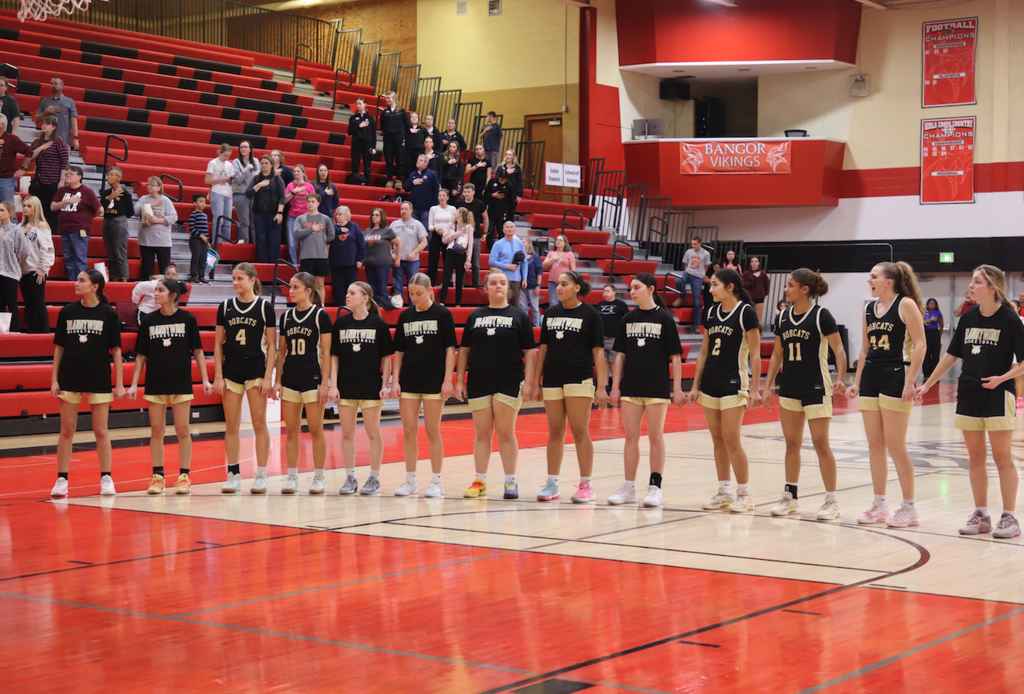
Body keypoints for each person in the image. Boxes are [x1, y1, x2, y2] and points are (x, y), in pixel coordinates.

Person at [915, 265, 1024, 539]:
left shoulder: (1010, 319)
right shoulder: (968, 317)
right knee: (975, 457)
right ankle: (981, 515)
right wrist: (928, 383)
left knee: (1002, 457)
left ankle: (1009, 517)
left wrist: (1002, 378)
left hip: (999, 393)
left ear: (993, 287)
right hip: (968, 392)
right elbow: (951, 355)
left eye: (977, 282)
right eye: (972, 281)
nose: (971, 285)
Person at [761, 269, 848, 521]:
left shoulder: (821, 315)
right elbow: (777, 354)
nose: (785, 289)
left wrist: (841, 378)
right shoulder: (782, 316)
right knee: (792, 445)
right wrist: (767, 386)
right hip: (789, 387)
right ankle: (790, 497)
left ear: (804, 289)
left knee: (821, 445)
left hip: (816, 387)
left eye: (790, 285)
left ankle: (831, 500)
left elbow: (839, 350)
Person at [845, 261, 926, 528]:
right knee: (875, 445)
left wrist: (910, 382)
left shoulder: (905, 304)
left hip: (896, 375)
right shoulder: (868, 308)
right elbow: (865, 349)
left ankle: (910, 508)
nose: (869, 281)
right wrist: (856, 382)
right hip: (871, 376)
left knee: (896, 445)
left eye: (874, 276)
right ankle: (879, 505)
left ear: (889, 282)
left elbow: (921, 344)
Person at [456, 269, 537, 500]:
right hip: (478, 382)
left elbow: (529, 352)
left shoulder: (519, 316)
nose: (498, 286)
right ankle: (480, 481)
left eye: (502, 283)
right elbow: (464, 350)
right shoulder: (475, 316)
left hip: (508, 381)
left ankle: (510, 481)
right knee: (482, 434)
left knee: (505, 433)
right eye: (493, 283)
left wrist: (529, 382)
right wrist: (459, 380)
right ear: (486, 288)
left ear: (508, 288)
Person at [688, 268, 763, 513]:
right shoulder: (711, 312)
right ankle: (724, 492)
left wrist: (755, 388)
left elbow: (755, 354)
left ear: (730, 287)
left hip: (734, 383)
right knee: (717, 440)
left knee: (731, 439)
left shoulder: (746, 312)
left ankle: (745, 494)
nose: (710, 289)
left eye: (715, 285)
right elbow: (703, 352)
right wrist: (695, 386)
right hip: (710, 383)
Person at [530, 271, 608, 503]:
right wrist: (535, 382)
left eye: (564, 284)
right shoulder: (551, 313)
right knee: (555, 433)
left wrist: (601, 386)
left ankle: (586, 485)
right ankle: (552, 484)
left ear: (577, 288)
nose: (559, 287)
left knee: (580, 432)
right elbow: (543, 349)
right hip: (552, 379)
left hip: (579, 377)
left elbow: (598, 352)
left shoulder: (591, 314)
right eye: (558, 284)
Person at [607, 273, 684, 506]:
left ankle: (655, 487)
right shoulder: (627, 319)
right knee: (630, 437)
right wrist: (615, 387)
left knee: (655, 437)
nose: (632, 292)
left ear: (651, 289)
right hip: (631, 386)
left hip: (657, 386)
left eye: (637, 287)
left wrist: (677, 389)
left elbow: (676, 357)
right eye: (631, 288)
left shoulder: (665, 318)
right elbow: (620, 356)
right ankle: (629, 488)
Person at [129, 278, 211, 495]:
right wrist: (134, 384)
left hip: (181, 382)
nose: (155, 293)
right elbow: (141, 355)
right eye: (155, 290)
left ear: (173, 295)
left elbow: (198, 351)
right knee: (157, 431)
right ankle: (158, 478)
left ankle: (184, 477)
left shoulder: (188, 319)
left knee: (183, 430)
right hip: (155, 382)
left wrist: (205, 379)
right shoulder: (148, 320)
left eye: (160, 290)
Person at [49, 269, 125, 498]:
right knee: (67, 429)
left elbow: (117, 350)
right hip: (69, 376)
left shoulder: (109, 314)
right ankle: (62, 479)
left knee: (101, 430)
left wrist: (119, 383)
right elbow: (59, 347)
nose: (76, 283)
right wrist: (54, 379)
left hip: (98, 377)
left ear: (95, 287)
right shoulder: (67, 312)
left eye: (82, 280)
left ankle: (106, 478)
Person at [391, 273, 457, 497]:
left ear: (430, 291)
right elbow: (399, 351)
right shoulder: (405, 316)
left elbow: (450, 350)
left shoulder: (443, 314)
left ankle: (437, 481)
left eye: (418, 293)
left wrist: (447, 379)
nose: (414, 297)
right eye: (411, 293)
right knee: (409, 432)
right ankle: (410, 481)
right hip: (409, 380)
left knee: (432, 431)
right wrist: (395, 380)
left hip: (434, 381)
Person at [214, 263, 276, 494]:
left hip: (255, 368)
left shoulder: (264, 307)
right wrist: (218, 375)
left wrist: (268, 376)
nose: (235, 282)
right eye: (233, 278)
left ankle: (261, 476)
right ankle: (233, 475)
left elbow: (272, 345)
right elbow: (218, 345)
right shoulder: (225, 307)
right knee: (231, 425)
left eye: (240, 278)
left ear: (252, 280)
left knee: (259, 424)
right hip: (231, 369)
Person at [329, 281, 394, 495]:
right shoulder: (340, 323)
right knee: (346, 434)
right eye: (347, 292)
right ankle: (350, 478)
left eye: (352, 293)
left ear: (365, 298)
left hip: (371, 387)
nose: (347, 296)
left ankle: (374, 478)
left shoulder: (378, 324)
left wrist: (385, 384)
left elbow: (386, 357)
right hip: (346, 387)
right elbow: (334, 357)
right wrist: (333, 385)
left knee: (373, 433)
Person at [270, 273, 333, 494]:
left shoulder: (320, 316)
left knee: (316, 430)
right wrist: (277, 380)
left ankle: (319, 478)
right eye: (290, 286)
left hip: (313, 379)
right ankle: (291, 477)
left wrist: (325, 384)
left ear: (309, 291)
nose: (291, 291)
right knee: (291, 431)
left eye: (296, 287)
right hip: (290, 379)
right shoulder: (286, 317)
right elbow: (281, 351)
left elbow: (327, 352)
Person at [51, 165, 101, 280]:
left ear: (79, 177)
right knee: (68, 258)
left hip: (79, 229)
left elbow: (100, 209)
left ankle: (82, 281)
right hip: (64, 228)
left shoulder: (87, 191)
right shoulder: (62, 190)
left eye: (71, 174)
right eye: (66, 174)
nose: (68, 176)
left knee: (79, 257)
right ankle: (72, 282)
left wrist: (87, 218)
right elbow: (53, 207)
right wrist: (67, 201)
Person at [19, 196, 54, 333]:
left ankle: (43, 333)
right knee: (28, 304)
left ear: (36, 208)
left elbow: (48, 249)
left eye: (29, 206)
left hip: (36, 270)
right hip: (22, 271)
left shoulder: (41, 225)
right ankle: (32, 332)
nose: (25, 208)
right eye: (24, 205)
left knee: (38, 303)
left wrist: (43, 269)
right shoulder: (21, 227)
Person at [27, 115, 68, 234]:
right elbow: (30, 157)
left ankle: (54, 235)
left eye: (48, 124)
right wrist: (41, 148)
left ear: (54, 127)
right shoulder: (37, 142)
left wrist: (62, 181)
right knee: (41, 210)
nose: (44, 125)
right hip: (40, 181)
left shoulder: (58, 141)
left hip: (54, 181)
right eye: (43, 123)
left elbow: (64, 162)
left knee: (53, 211)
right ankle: (41, 233)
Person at [294, 193, 335, 305]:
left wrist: (322, 240)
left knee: (320, 284)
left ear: (318, 203)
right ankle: (307, 305)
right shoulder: (300, 218)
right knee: (306, 284)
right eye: (308, 201)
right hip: (306, 255)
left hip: (321, 255)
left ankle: (321, 307)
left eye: (313, 201)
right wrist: (312, 228)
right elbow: (297, 233)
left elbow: (331, 235)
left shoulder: (325, 218)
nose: (310, 204)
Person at [134, 176, 178, 278]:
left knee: (164, 268)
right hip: (146, 240)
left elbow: (174, 217)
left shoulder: (165, 200)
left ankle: (165, 286)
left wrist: (158, 220)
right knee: (147, 268)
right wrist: (149, 204)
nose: (149, 186)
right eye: (148, 184)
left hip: (162, 241)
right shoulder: (144, 199)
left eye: (152, 185)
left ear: (159, 187)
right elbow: (135, 211)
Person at [246, 155, 286, 264]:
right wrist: (259, 185)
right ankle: (263, 264)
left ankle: (273, 265)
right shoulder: (256, 178)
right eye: (262, 163)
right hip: (259, 213)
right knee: (261, 239)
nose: (264, 165)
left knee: (274, 240)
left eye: (266, 163)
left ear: (271, 165)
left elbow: (282, 197)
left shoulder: (277, 179)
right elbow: (248, 193)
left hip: (273, 213)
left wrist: (280, 213)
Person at [390, 201, 428, 307]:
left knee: (414, 286)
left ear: (411, 210)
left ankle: (413, 308)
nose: (403, 211)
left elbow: (424, 242)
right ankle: (398, 307)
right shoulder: (394, 224)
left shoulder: (417, 224)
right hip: (398, 260)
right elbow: (387, 240)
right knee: (397, 286)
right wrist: (390, 253)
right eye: (402, 209)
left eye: (406, 209)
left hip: (412, 261)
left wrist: (414, 252)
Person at [98, 166, 133, 282]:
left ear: (119, 178)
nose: (108, 176)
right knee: (111, 253)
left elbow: (130, 212)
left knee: (120, 253)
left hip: (119, 221)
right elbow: (101, 208)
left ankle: (124, 279)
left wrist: (119, 215)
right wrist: (110, 198)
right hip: (106, 221)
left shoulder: (125, 194)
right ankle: (115, 278)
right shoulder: (105, 193)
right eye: (108, 174)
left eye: (111, 175)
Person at [363, 208, 401, 311]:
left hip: (383, 263)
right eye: (373, 215)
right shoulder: (367, 231)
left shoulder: (387, 230)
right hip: (369, 263)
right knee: (371, 288)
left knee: (381, 287)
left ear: (382, 217)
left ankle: (383, 309)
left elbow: (399, 243)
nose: (374, 217)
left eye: (376, 215)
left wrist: (397, 258)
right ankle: (374, 308)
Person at [672, 236, 711, 329]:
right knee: (678, 280)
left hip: (698, 277)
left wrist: (702, 274)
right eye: (692, 244)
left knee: (697, 301)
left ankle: (697, 325)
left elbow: (706, 265)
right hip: (688, 273)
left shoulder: (706, 254)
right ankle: (683, 295)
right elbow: (685, 263)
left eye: (695, 244)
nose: (693, 246)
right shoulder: (689, 251)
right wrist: (687, 271)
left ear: (700, 243)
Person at [0, 201, 28, 331]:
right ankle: (2, 333)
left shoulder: (16, 230)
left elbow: (24, 251)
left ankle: (14, 332)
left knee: (11, 304)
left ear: (10, 213)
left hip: (10, 272)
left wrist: (14, 259)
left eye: (2, 210)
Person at [438, 205, 473, 306]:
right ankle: (442, 303)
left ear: (460, 215)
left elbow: (470, 244)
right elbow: (444, 240)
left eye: (456, 212)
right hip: (450, 252)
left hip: (461, 254)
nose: (454, 213)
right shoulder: (450, 225)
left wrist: (468, 259)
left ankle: (458, 304)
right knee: (446, 279)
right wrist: (456, 234)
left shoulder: (469, 227)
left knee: (459, 281)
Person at [454, 183, 487, 288]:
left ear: (473, 192)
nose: (466, 194)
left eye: (469, 192)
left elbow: (485, 218)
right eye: (465, 192)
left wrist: (485, 232)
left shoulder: (479, 204)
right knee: (461, 262)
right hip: (461, 235)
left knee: (475, 262)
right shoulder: (458, 203)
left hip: (475, 236)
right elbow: (454, 218)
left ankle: (476, 284)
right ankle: (460, 284)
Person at [329, 205, 366, 299]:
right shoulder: (333, 227)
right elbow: (326, 233)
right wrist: (339, 229)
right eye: (336, 214)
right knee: (338, 286)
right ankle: (340, 305)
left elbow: (361, 244)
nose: (337, 216)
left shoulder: (354, 226)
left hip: (351, 263)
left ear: (346, 216)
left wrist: (359, 259)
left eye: (340, 214)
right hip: (335, 263)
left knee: (351, 286)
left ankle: (351, 304)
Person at [597, 284, 629, 388]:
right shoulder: (600, 305)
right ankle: (605, 386)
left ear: (614, 292)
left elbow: (626, 320)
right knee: (604, 363)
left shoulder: (621, 305)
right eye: (604, 291)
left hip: (615, 339)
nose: (605, 293)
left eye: (607, 291)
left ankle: (616, 386)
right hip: (602, 339)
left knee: (614, 363)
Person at [489, 221, 526, 309]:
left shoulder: (520, 243)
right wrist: (506, 266)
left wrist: (524, 278)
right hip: (502, 279)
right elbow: (491, 261)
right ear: (503, 230)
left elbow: (524, 262)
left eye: (511, 227)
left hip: (516, 279)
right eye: (507, 227)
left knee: (515, 305)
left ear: (514, 230)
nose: (509, 229)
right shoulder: (498, 244)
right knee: (501, 302)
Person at [34, 77, 78, 150]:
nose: (53, 85)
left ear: (62, 86)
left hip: (64, 139)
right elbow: (36, 119)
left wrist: (76, 138)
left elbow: (74, 121)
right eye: (52, 84)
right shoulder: (45, 101)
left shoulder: (70, 102)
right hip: (47, 139)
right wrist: (46, 111)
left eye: (56, 84)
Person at [283, 164, 315, 266]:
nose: (296, 173)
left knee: (304, 243)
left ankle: (302, 264)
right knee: (292, 243)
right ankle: (293, 265)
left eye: (298, 171)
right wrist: (293, 192)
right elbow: (284, 200)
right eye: (295, 171)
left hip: (305, 217)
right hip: (292, 216)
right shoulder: (290, 185)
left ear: (303, 173)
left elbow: (314, 201)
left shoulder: (309, 186)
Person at [0, 113, 35, 204]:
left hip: (6, 179)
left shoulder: (11, 139)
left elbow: (29, 151)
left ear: (2, 124)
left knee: (7, 207)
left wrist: (23, 169)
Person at [204, 144, 235, 244]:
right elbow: (207, 180)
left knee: (227, 222)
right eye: (225, 155)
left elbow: (231, 177)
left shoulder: (229, 164)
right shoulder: (213, 163)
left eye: (228, 156)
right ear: (220, 153)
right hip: (217, 192)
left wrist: (232, 180)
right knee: (219, 220)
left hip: (228, 193)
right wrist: (219, 180)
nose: (226, 158)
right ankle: (217, 243)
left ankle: (225, 244)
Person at [403, 153, 440, 231]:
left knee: (425, 232)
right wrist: (413, 183)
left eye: (421, 160)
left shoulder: (432, 174)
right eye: (417, 160)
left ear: (426, 163)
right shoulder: (413, 174)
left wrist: (434, 207)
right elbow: (406, 188)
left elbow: (436, 191)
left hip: (426, 209)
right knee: (411, 231)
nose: (418, 162)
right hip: (414, 208)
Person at [230, 141, 258, 243]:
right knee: (244, 222)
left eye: (246, 147)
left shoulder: (256, 161)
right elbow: (237, 179)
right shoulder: (236, 162)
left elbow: (257, 177)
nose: (243, 149)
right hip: (241, 195)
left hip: (254, 194)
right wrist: (247, 169)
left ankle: (256, 246)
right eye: (241, 147)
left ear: (250, 149)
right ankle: (244, 245)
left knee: (254, 222)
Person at [427, 187, 455, 284]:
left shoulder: (452, 209)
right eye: (440, 196)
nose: (441, 197)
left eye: (443, 195)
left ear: (447, 197)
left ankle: (447, 282)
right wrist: (435, 228)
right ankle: (431, 282)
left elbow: (454, 224)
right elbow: (430, 226)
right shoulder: (433, 209)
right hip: (436, 235)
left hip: (447, 236)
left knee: (447, 259)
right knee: (433, 259)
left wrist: (446, 231)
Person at [380, 92, 408, 185]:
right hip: (388, 138)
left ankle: (398, 179)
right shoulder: (385, 112)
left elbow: (407, 125)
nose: (387, 99)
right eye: (386, 98)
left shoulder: (402, 111)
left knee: (400, 159)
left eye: (389, 98)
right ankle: (389, 179)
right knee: (389, 159)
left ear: (394, 99)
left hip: (399, 137)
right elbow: (382, 126)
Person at [542, 235, 576, 309]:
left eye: (560, 240)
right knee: (553, 304)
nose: (558, 242)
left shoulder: (569, 254)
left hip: (565, 283)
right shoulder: (551, 253)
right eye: (557, 240)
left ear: (565, 243)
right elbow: (544, 265)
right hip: (553, 283)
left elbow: (573, 270)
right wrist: (553, 259)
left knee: (565, 303)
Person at [347, 98, 376, 182]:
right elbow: (349, 132)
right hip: (356, 143)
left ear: (365, 104)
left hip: (367, 143)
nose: (358, 105)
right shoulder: (353, 118)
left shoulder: (370, 118)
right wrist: (359, 126)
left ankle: (367, 182)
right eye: (357, 104)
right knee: (355, 163)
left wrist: (373, 147)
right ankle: (355, 181)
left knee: (367, 165)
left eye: (360, 103)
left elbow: (373, 134)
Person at [483, 171, 512, 248]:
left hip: (503, 211)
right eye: (501, 180)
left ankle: (502, 248)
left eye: (504, 180)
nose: (502, 182)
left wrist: (509, 212)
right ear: (498, 177)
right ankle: (491, 248)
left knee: (501, 230)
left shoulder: (509, 185)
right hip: (491, 209)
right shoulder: (492, 181)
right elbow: (485, 194)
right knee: (490, 230)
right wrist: (492, 195)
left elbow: (511, 200)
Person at [188, 193, 211, 285]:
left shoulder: (205, 215)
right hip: (195, 239)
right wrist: (201, 236)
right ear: (195, 203)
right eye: (201, 201)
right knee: (196, 258)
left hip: (204, 241)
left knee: (203, 258)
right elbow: (191, 228)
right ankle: (194, 276)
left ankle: (202, 275)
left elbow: (205, 229)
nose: (203, 204)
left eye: (204, 202)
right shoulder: (193, 214)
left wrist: (207, 241)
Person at [495, 150, 523, 220]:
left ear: (513, 156)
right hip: (502, 191)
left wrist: (519, 195)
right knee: (501, 212)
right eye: (507, 154)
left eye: (510, 155)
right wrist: (506, 173)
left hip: (513, 193)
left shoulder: (517, 168)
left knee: (510, 213)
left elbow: (519, 181)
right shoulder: (500, 167)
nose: (508, 156)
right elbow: (497, 179)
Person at [521, 238, 543, 327]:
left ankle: (537, 326)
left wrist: (538, 285)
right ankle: (525, 326)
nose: (521, 243)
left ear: (529, 244)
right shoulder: (519, 255)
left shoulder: (535, 256)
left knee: (535, 308)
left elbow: (540, 271)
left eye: (523, 242)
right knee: (523, 308)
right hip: (521, 286)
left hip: (533, 285)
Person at [742, 256, 771, 325]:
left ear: (758, 263)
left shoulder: (763, 274)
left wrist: (763, 293)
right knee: (747, 317)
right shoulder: (746, 273)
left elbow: (767, 285)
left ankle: (758, 331)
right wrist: (753, 277)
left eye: (756, 261)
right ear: (750, 263)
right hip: (749, 298)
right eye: (752, 261)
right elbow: (744, 285)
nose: (754, 263)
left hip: (759, 298)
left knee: (758, 318)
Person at [922, 298, 944, 379]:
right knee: (926, 354)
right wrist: (930, 320)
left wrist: (939, 335)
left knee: (935, 354)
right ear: (927, 304)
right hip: (926, 333)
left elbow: (941, 325)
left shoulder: (938, 313)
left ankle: (934, 374)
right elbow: (921, 322)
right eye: (930, 303)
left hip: (935, 333)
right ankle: (926, 374)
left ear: (935, 305)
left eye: (933, 304)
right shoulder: (924, 313)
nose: (931, 305)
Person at [403, 112, 427, 181]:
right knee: (408, 167)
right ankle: (408, 182)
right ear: (409, 119)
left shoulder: (423, 129)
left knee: (418, 167)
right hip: (408, 150)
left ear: (418, 119)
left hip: (419, 151)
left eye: (416, 117)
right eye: (412, 117)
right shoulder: (405, 129)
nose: (414, 118)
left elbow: (427, 139)